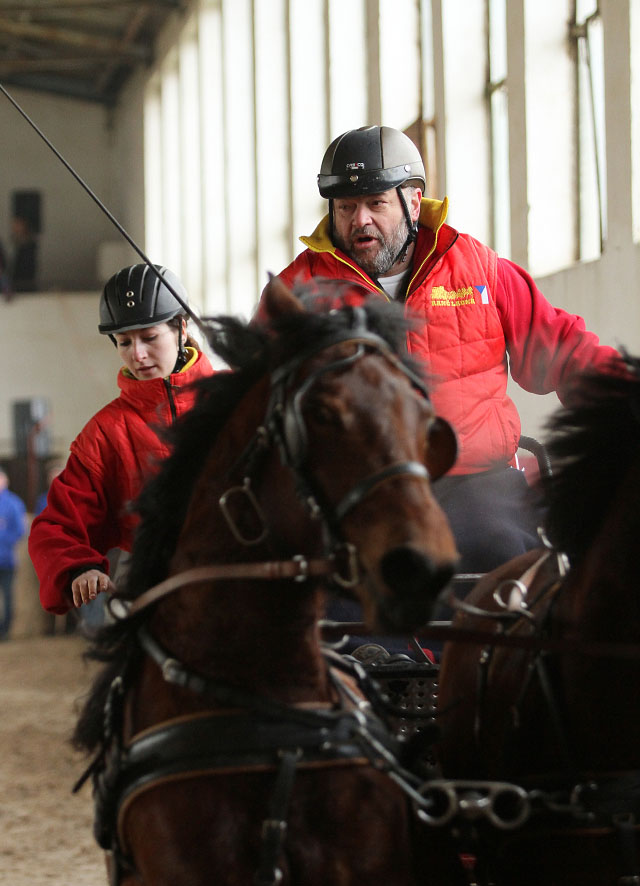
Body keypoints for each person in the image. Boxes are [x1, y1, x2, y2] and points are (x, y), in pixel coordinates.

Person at [258, 124, 619, 587]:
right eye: (346, 207)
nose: (359, 220)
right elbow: (255, 397)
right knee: (345, 586)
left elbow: (564, 352)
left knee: (503, 554)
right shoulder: (295, 295)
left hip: (475, 479)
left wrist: (624, 398)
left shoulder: (480, 270)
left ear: (412, 201)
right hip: (354, 493)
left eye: (376, 203)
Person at [28, 263, 214, 616]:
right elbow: (55, 526)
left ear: (181, 328)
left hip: (254, 588)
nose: (137, 354)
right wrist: (80, 567)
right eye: (124, 342)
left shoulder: (238, 400)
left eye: (149, 337)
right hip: (160, 600)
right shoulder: (103, 433)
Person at [0, 468, 26, 640]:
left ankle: (5, 631)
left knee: (8, 596)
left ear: (5, 481)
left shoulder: (14, 503)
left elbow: (20, 530)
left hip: (6, 559)